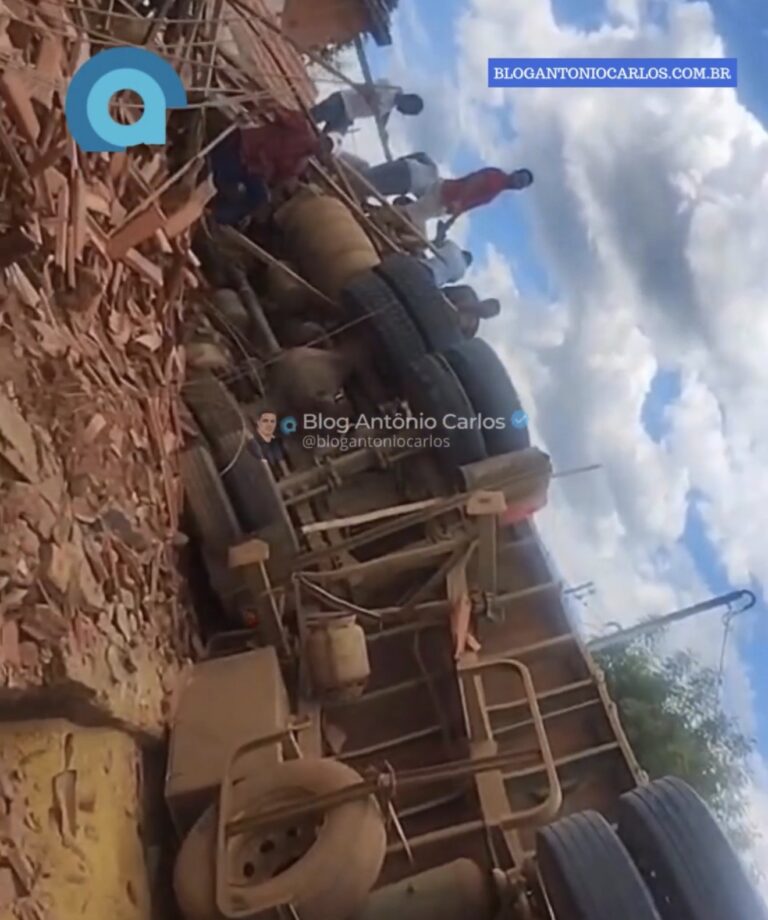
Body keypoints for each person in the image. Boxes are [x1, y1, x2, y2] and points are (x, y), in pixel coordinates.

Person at [209, 106, 332, 225]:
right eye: (326, 144)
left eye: (326, 151)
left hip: (253, 169)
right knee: (222, 179)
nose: (322, 149)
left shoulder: (299, 165)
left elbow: (275, 180)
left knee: (260, 199)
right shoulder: (301, 127)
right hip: (243, 147)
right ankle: (212, 204)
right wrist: (251, 114)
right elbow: (274, 108)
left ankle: (214, 217)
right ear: (322, 137)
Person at [404, 167, 534, 231]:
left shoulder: (498, 189)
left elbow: (468, 204)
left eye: (522, 184)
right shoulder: (497, 178)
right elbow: (474, 181)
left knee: (412, 220)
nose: (518, 183)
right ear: (515, 173)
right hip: (443, 195)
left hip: (443, 204)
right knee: (409, 217)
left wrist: (451, 221)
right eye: (520, 179)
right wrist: (459, 201)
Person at [310, 81, 424, 136]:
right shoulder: (389, 86)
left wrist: (383, 131)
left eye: (409, 111)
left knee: (328, 143)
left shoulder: (390, 107)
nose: (406, 110)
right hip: (341, 101)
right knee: (309, 119)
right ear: (409, 98)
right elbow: (363, 87)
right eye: (409, 106)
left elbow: (382, 119)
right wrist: (371, 98)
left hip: (347, 117)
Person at [362, 152, 439, 198]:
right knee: (376, 188)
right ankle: (361, 187)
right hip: (406, 184)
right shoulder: (431, 192)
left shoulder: (434, 168)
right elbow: (420, 199)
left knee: (372, 174)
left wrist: (402, 159)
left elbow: (421, 155)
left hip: (405, 166)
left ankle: (359, 179)